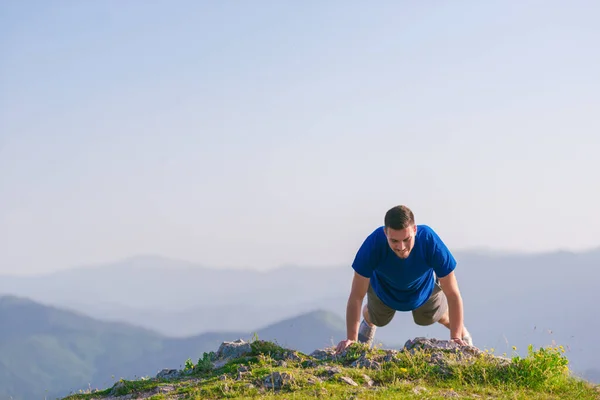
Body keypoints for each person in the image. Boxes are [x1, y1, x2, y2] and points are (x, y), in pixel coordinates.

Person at [335, 205, 472, 354]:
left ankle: (463, 333)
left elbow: (453, 294)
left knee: (431, 317)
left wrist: (456, 338)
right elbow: (356, 296)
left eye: (407, 239)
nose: (401, 247)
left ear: (415, 230)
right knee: (378, 318)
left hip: (423, 291)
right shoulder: (373, 244)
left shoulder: (429, 240)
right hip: (383, 291)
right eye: (394, 241)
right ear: (385, 233)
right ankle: (369, 320)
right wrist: (351, 340)